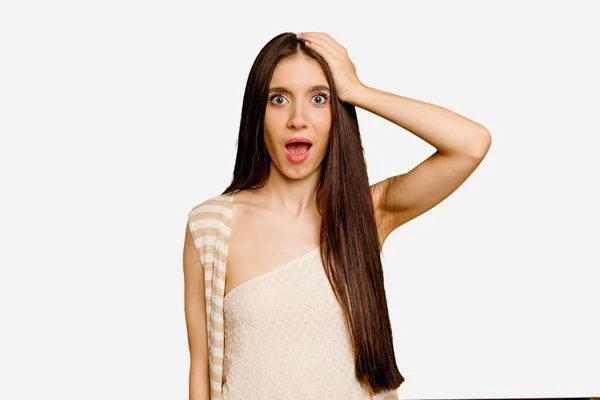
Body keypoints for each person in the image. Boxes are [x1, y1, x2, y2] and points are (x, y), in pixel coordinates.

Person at [183, 31, 491, 400]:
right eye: (278, 99)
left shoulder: (369, 213)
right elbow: (201, 371)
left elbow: (471, 145)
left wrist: (359, 91)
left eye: (319, 98)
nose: (298, 119)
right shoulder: (210, 226)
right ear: (257, 113)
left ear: (337, 113)